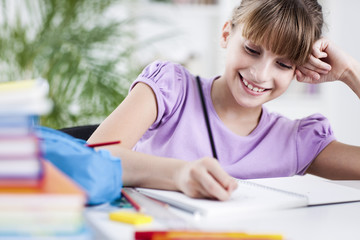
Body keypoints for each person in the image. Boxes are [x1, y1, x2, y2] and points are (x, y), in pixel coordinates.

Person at [87, 0, 360, 201]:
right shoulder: (172, 88)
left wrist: (350, 72)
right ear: (226, 34)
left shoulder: (296, 142)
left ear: (298, 70)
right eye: (252, 50)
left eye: (284, 64)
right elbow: (92, 157)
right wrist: (179, 174)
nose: (260, 74)